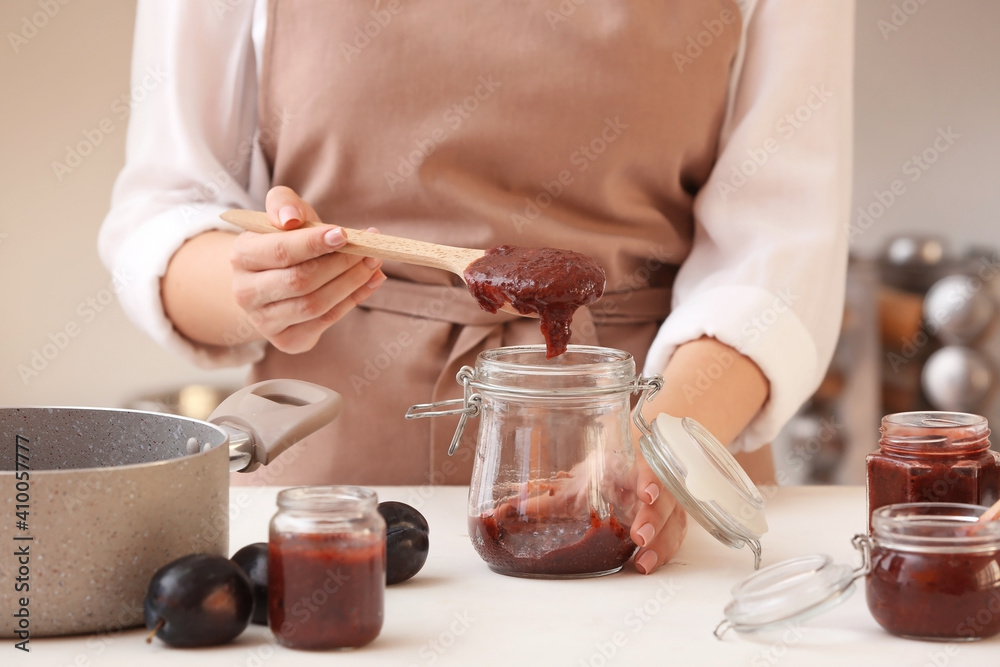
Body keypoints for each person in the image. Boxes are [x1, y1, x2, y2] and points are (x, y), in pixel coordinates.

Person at [99, 0, 854, 576]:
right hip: (334, 491)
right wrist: (254, 285)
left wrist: (657, 446)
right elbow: (168, 210)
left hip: (653, 467)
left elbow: (780, 254)